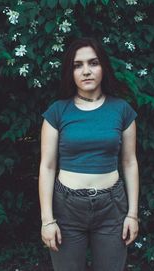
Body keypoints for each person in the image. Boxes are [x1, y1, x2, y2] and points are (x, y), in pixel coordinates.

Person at [38, 37, 139, 271]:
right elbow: (47, 166)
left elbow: (130, 163)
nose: (86, 71)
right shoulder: (57, 112)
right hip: (66, 207)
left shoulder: (122, 110)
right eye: (77, 65)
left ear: (103, 67)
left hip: (112, 207)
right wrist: (47, 220)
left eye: (93, 63)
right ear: (70, 72)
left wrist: (132, 214)